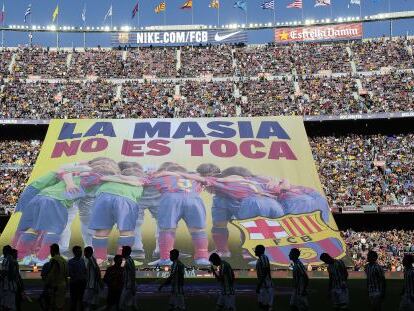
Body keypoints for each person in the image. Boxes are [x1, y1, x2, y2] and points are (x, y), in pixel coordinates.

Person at [46, 244, 69, 311]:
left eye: (51, 250)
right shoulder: (64, 260)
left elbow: (51, 274)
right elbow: (67, 274)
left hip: (56, 286)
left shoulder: (54, 259)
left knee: (54, 305)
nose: (50, 252)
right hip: (63, 285)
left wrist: (47, 283)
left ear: (53, 250)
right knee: (61, 305)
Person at [83, 246, 103, 311]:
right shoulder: (92, 259)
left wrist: (99, 282)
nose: (84, 254)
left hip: (91, 286)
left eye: (85, 252)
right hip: (93, 285)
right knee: (92, 303)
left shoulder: (91, 259)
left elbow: (97, 270)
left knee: (86, 302)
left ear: (88, 252)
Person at [255, 245, 274, 311]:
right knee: (262, 305)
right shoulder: (261, 258)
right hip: (264, 285)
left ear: (260, 250)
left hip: (266, 285)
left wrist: (259, 284)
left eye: (256, 249)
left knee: (265, 305)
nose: (255, 251)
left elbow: (266, 270)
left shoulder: (263, 258)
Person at [68, 246, 87, 311]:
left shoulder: (83, 260)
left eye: (81, 251)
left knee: (81, 299)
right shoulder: (70, 262)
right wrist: (78, 277)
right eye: (79, 251)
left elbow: (85, 271)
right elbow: (70, 273)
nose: (81, 252)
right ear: (74, 252)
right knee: (74, 300)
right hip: (74, 283)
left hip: (82, 283)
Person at [0, 245, 18, 311]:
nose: (3, 252)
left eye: (3, 251)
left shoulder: (7, 260)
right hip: (12, 286)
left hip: (7, 286)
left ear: (6, 251)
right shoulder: (13, 261)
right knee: (11, 305)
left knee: (7, 306)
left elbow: (5, 273)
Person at [120, 246, 137, 311]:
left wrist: (132, 285)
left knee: (121, 304)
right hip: (129, 285)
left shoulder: (126, 261)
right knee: (132, 305)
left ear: (126, 252)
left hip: (128, 285)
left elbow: (132, 273)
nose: (122, 252)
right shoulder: (129, 260)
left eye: (123, 251)